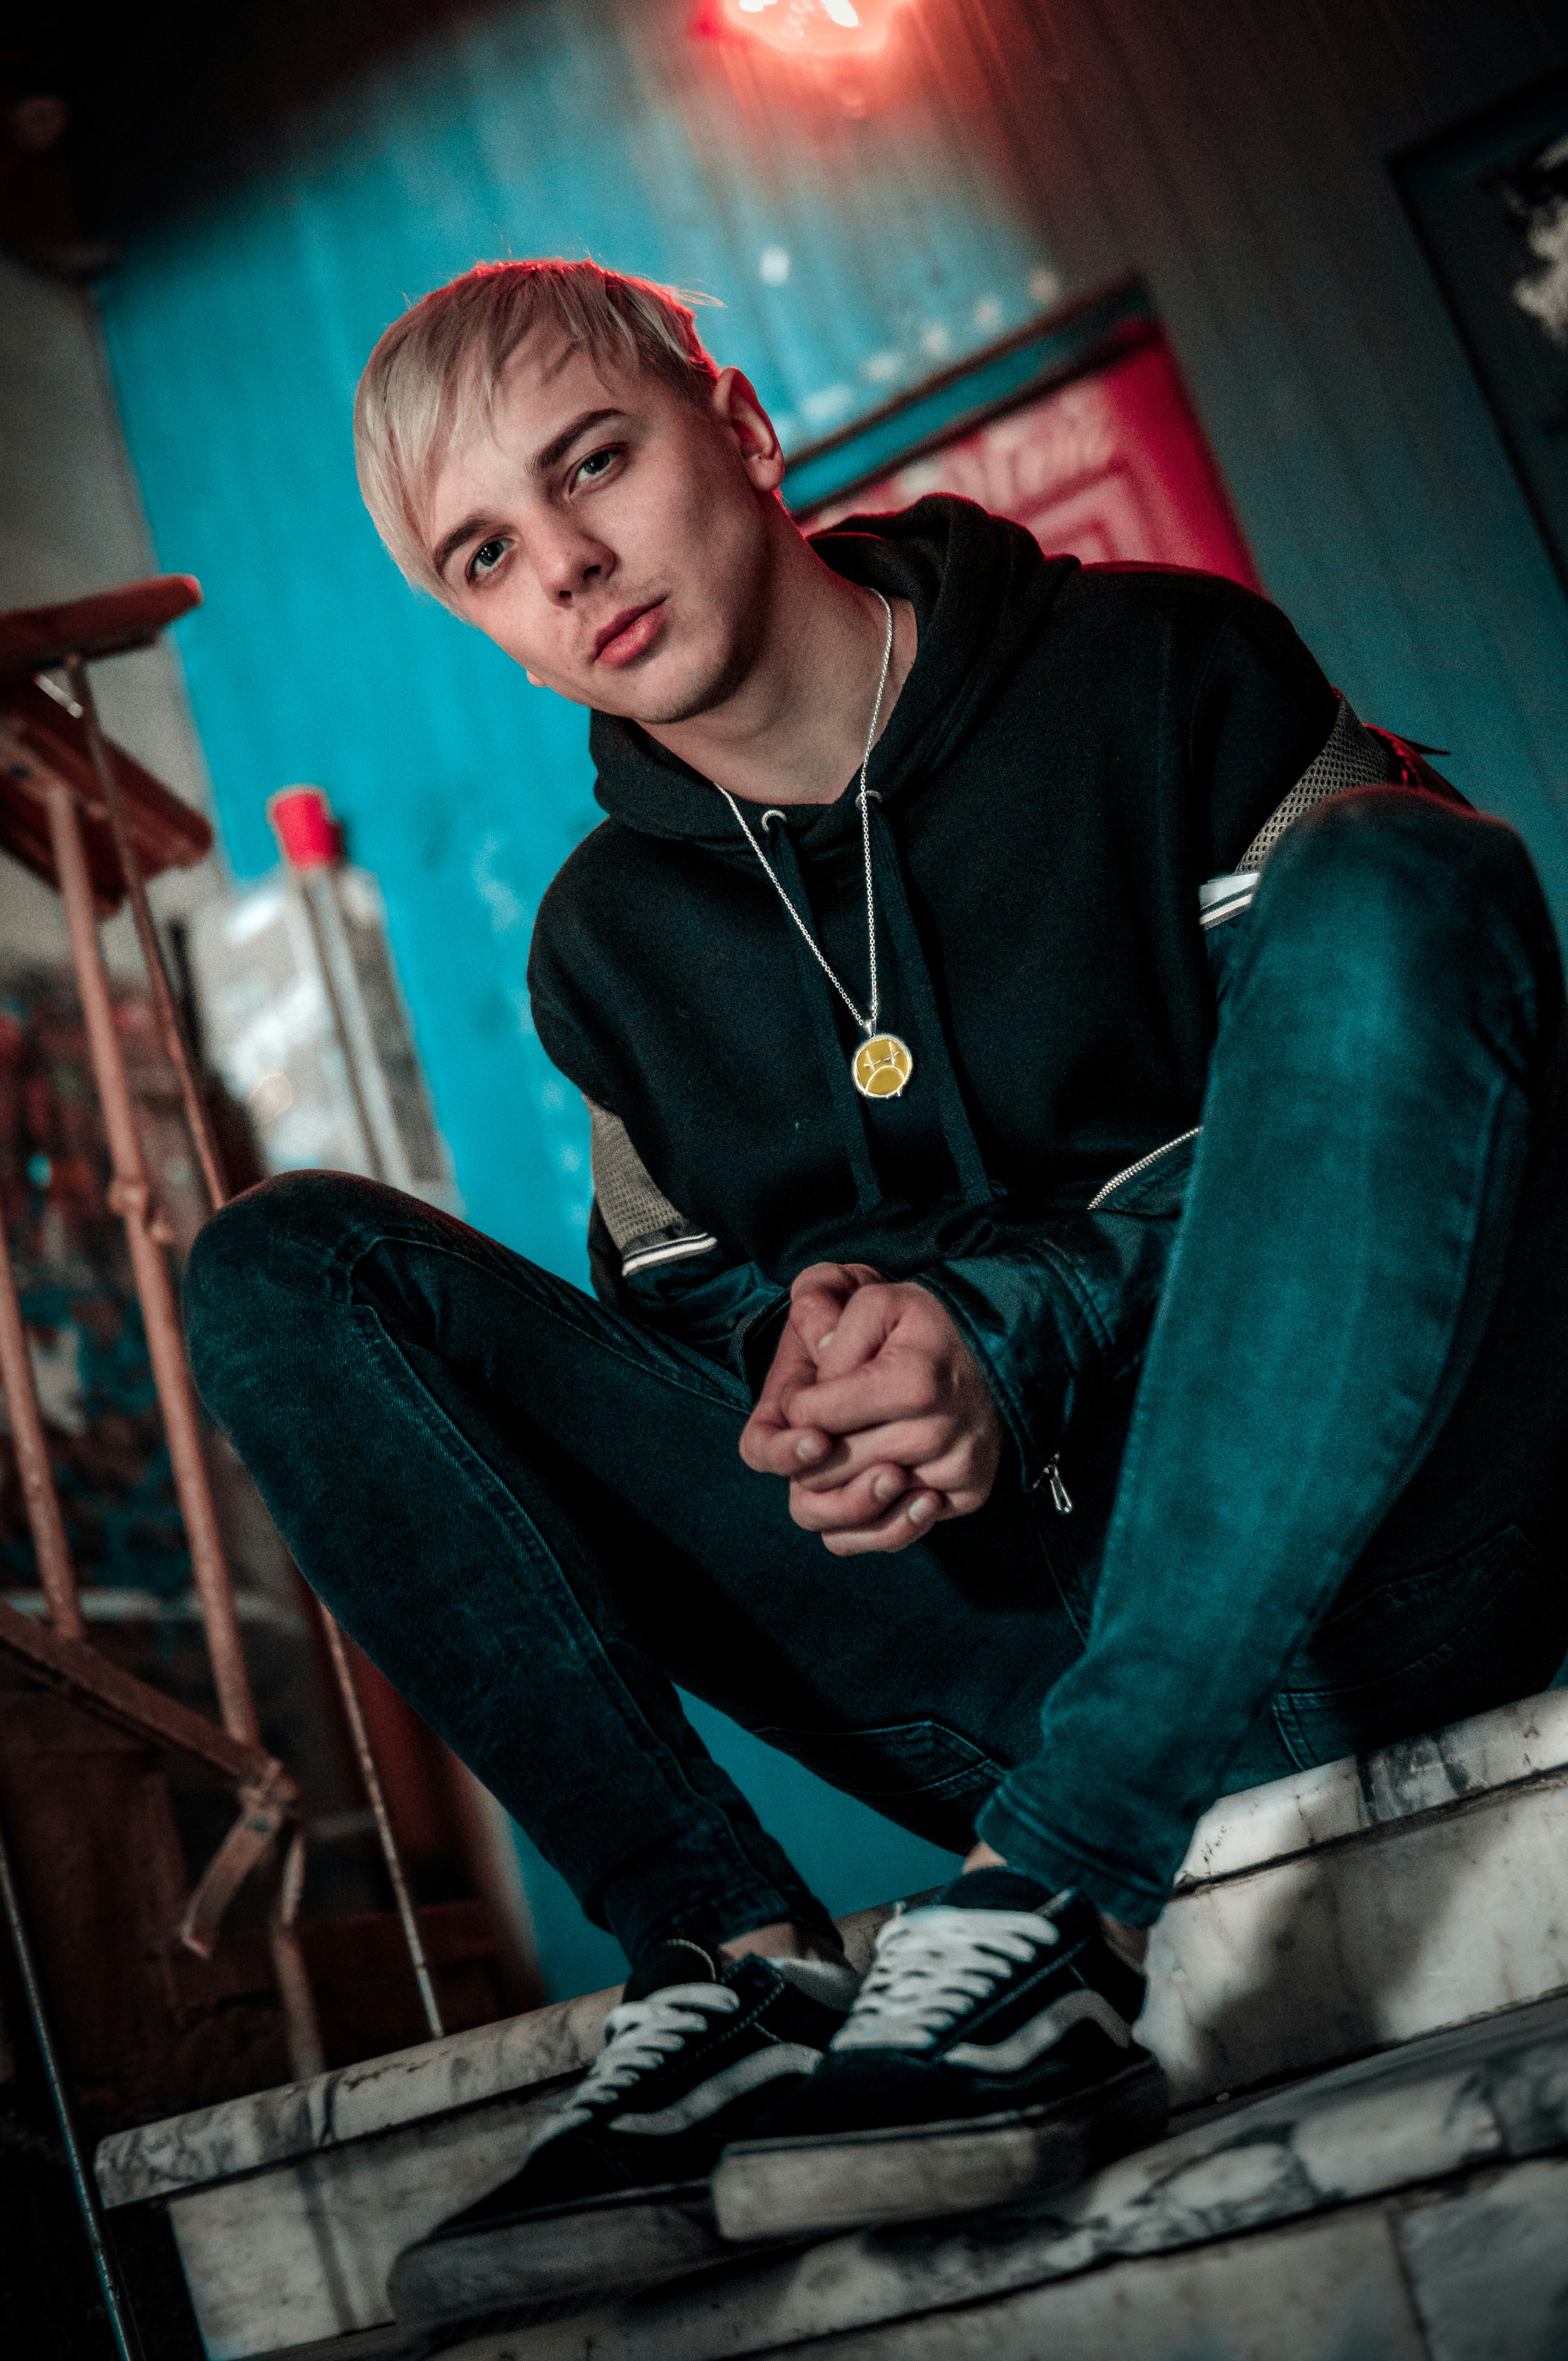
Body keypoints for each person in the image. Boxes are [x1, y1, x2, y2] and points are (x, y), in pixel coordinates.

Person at [184, 259, 1568, 2336]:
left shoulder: (1164, 674)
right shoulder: (603, 957)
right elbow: (710, 1336)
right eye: (489, 554)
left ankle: (1069, 1894)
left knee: (1401, 877)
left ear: (733, 424)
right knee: (284, 1266)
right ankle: (725, 1972)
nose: (570, 568)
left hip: (1408, 1571)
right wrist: (827, 1411)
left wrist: (1022, 1331)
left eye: (596, 465)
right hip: (1006, 1660)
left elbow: (1389, 1096)